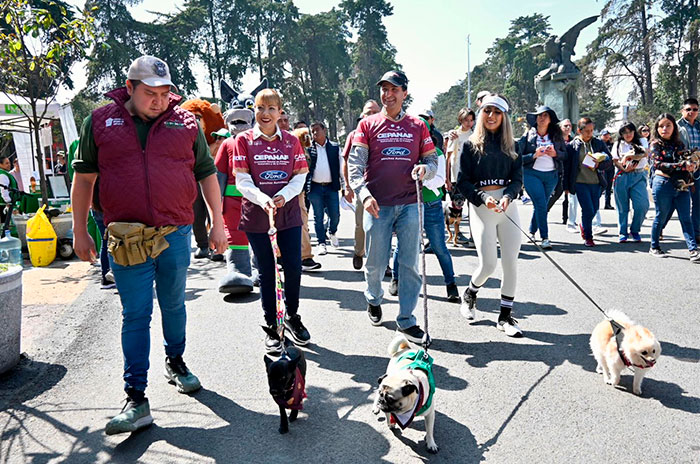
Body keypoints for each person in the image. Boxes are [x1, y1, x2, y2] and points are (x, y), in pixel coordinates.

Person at [71, 55, 227, 434]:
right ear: (129, 88)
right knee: (136, 314)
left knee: (173, 304)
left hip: (174, 234)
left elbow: (206, 173)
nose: (159, 101)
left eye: (164, 93)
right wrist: (80, 229)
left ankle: (176, 362)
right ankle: (136, 397)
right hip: (126, 239)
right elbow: (84, 178)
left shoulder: (185, 122)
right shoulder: (100, 122)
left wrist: (218, 223)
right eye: (149, 93)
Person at [348, 70, 438, 343]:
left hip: (411, 203)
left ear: (404, 93)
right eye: (384, 89)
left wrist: (425, 169)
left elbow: (433, 163)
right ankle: (373, 297)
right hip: (377, 205)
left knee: (409, 263)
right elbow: (355, 167)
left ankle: (407, 320)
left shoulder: (418, 126)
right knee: (375, 262)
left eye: (394, 89)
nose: (388, 95)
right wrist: (363, 195)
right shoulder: (367, 125)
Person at [232, 88, 313, 351]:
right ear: (253, 110)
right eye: (260, 108)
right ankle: (271, 325)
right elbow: (242, 180)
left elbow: (300, 176)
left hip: (288, 214)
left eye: (271, 108)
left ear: (280, 112)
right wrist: (262, 199)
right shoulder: (243, 141)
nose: (265, 114)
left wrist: (283, 195)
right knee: (267, 272)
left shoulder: (291, 141)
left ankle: (292, 316)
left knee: (293, 268)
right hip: (257, 217)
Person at [456, 94, 524, 337]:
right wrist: (484, 198)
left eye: (497, 112)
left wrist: (509, 196)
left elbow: (517, 179)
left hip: (507, 208)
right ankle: (471, 293)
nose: (492, 116)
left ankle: (505, 317)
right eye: (487, 111)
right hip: (482, 210)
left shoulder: (513, 145)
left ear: (504, 116)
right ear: (481, 114)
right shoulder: (470, 146)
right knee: (488, 264)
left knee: (510, 264)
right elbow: (462, 182)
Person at [390, 118, 460, 303]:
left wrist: (422, 177)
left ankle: (451, 284)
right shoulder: (403, 152)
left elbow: (439, 181)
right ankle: (396, 279)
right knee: (402, 246)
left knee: (438, 246)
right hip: (408, 205)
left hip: (431, 206)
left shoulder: (437, 153)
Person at [181, 99, 227, 261]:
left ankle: (217, 247)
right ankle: (202, 245)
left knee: (213, 211)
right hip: (191, 181)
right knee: (196, 213)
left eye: (198, 118)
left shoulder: (218, 140)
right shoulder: (182, 140)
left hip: (212, 180)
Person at [648, 113, 699, 261]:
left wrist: (691, 164)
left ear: (674, 127)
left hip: (682, 185)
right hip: (663, 185)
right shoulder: (655, 144)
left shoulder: (679, 144)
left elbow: (685, 159)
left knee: (686, 218)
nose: (665, 129)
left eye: (668, 125)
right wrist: (682, 165)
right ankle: (654, 246)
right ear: (657, 128)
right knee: (660, 216)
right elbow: (658, 164)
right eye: (661, 126)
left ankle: (693, 250)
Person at [519, 106, 566, 249]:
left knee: (542, 205)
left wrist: (555, 154)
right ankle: (545, 237)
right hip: (531, 174)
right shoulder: (528, 136)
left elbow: (565, 155)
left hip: (551, 175)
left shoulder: (556, 137)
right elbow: (517, 158)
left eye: (545, 115)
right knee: (540, 203)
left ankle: (532, 231)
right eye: (539, 115)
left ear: (550, 119)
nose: (542, 117)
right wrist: (534, 155)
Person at [342, 100, 381, 270]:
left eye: (375, 112)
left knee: (382, 225)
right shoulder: (354, 135)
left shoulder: (387, 132)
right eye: (368, 112)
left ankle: (381, 261)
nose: (372, 115)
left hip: (383, 187)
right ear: (362, 116)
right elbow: (346, 161)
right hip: (361, 187)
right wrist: (347, 186)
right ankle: (359, 252)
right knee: (361, 224)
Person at [563, 117, 613, 247]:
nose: (590, 133)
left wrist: (599, 164)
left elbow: (609, 161)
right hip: (580, 182)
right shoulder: (573, 146)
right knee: (588, 209)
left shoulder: (598, 143)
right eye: (587, 131)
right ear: (579, 130)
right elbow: (567, 168)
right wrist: (566, 186)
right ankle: (589, 237)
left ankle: (584, 226)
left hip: (596, 182)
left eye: (592, 130)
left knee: (595, 208)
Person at [306, 121, 343, 255]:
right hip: (315, 188)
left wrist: (345, 186)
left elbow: (341, 168)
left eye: (317, 130)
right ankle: (321, 243)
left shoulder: (334, 147)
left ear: (324, 130)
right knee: (318, 216)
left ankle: (332, 231)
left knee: (335, 215)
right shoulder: (308, 149)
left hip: (331, 187)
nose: (315, 133)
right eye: (312, 131)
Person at [611, 122, 649, 243]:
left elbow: (646, 153)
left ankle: (635, 229)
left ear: (634, 131)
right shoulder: (618, 144)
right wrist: (624, 168)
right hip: (622, 176)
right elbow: (615, 160)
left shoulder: (642, 141)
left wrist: (630, 156)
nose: (628, 135)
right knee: (622, 207)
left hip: (639, 175)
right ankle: (622, 232)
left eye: (630, 132)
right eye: (624, 132)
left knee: (642, 205)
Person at [677, 97, 700, 244]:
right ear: (682, 111)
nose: (692, 112)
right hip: (682, 169)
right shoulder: (676, 127)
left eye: (695, 109)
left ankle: (696, 232)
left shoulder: (699, 126)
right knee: (675, 202)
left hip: (698, 168)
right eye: (688, 109)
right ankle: (659, 228)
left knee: (698, 202)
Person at [599, 129, 615, 210]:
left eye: (608, 135)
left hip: (611, 167)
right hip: (602, 168)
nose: (607, 136)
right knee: (603, 185)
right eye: (605, 135)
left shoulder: (612, 144)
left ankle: (607, 203)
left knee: (609, 186)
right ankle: (596, 200)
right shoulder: (599, 144)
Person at [0, 155, 17, 225]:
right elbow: (4, 190)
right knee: (5, 226)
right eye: (6, 163)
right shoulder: (2, 175)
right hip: (3, 204)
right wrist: (8, 202)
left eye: (9, 163)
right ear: (0, 164)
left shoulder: (5, 173)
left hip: (5, 203)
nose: (9, 165)